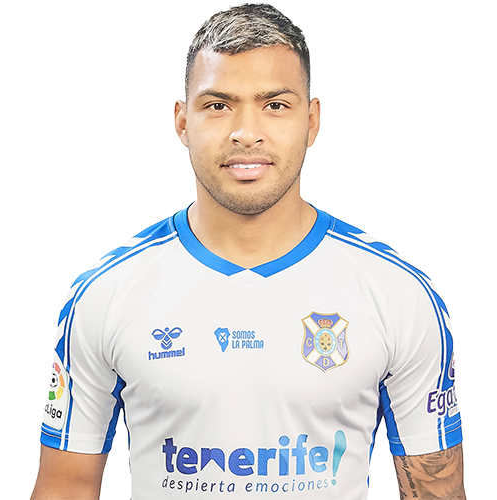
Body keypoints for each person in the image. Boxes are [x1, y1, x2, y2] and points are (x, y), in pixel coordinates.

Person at [30, 3, 466, 499]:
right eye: (218, 105)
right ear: (182, 122)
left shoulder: (398, 295)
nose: (246, 131)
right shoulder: (106, 294)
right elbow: (65, 488)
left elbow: (438, 491)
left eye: (275, 105)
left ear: (312, 121)